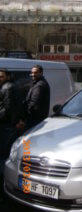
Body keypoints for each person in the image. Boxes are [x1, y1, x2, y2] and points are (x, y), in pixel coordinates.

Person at [0, 69, 20, 201]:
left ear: (7, 76)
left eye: (1, 76)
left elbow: (8, 108)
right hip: (7, 125)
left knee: (3, 154)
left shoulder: (8, 87)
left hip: (6, 126)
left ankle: (4, 183)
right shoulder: (6, 86)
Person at [21, 65, 50, 130]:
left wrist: (24, 116)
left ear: (41, 73)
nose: (33, 74)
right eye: (32, 72)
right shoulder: (37, 83)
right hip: (36, 118)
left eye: (35, 72)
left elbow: (33, 103)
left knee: (29, 138)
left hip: (35, 119)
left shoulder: (40, 85)